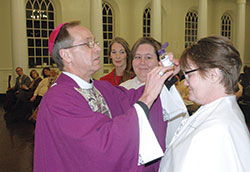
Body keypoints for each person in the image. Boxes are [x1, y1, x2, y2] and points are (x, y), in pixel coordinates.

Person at [34, 21, 179, 172]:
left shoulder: (101, 88)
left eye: (95, 42)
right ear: (66, 55)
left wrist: (164, 75)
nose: (97, 48)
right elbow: (98, 146)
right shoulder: (57, 100)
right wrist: (147, 98)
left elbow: (132, 99)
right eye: (88, 44)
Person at [159, 36, 250, 172]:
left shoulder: (217, 130)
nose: (185, 82)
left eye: (189, 74)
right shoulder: (216, 113)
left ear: (214, 74)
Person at [120, 37, 188, 171]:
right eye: (137, 57)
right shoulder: (123, 88)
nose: (142, 62)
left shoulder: (167, 91)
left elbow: (178, 131)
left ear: (159, 61)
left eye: (148, 57)